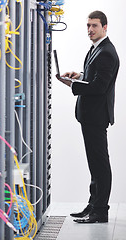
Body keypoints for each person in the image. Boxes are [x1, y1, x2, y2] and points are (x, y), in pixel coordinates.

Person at [56, 10, 119, 223]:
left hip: (96, 116)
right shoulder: (96, 49)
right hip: (89, 115)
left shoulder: (107, 52)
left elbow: (100, 87)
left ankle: (100, 211)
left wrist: (73, 85)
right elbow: (94, 78)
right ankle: (93, 205)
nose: (90, 30)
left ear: (105, 27)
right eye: (88, 26)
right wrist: (79, 76)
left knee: (100, 163)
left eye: (94, 26)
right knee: (94, 163)